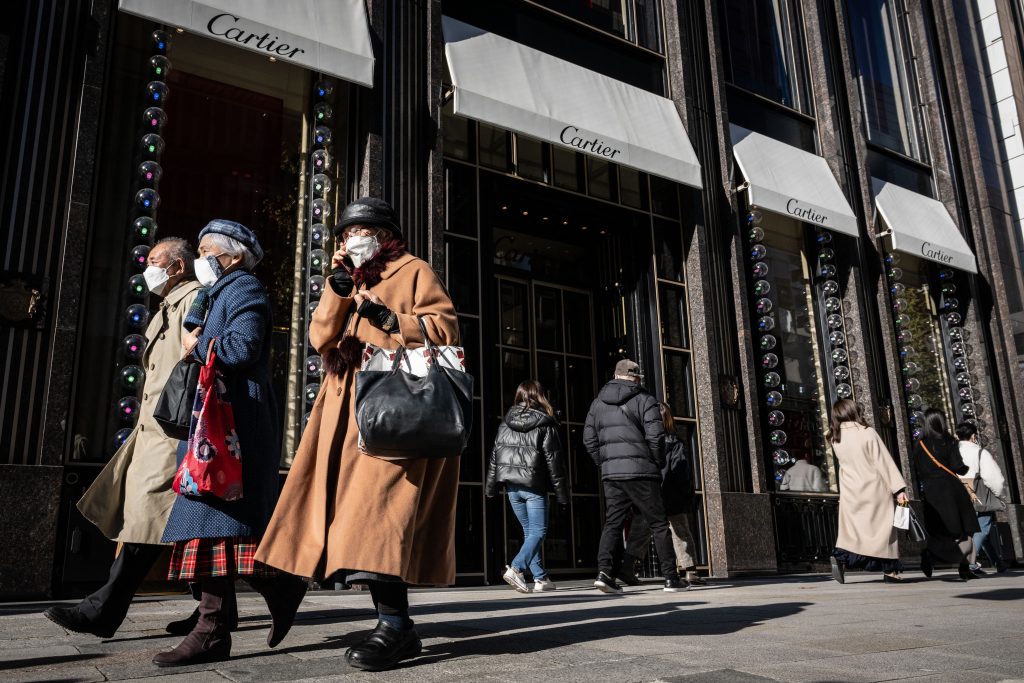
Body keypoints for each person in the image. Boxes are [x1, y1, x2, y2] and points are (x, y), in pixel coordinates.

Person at [255, 198, 461, 672]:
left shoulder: (414, 270)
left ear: (386, 234)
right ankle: (292, 581)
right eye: (347, 233)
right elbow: (320, 340)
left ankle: (395, 625)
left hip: (394, 408)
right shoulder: (346, 278)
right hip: (342, 408)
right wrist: (337, 292)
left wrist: (394, 321)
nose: (353, 239)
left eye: (363, 230)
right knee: (328, 506)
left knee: (377, 512)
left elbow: (446, 329)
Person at [153, 221, 306, 666]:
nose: (200, 258)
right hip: (214, 428)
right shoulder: (217, 293)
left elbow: (240, 349)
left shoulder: (244, 290)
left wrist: (195, 345)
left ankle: (212, 630)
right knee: (215, 529)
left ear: (233, 255)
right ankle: (277, 588)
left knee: (216, 526)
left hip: (233, 429)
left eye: (205, 249)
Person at [44, 238, 205, 638]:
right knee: (176, 524)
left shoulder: (194, 300)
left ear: (178, 267)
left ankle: (102, 611)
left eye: (155, 262)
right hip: (152, 431)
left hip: (171, 433)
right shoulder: (167, 307)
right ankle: (217, 608)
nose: (147, 269)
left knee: (145, 522)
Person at [583, 359, 687, 593]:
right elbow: (655, 437)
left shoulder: (597, 403)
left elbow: (588, 440)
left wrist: (605, 463)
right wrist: (656, 463)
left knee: (613, 523)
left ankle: (604, 573)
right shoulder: (645, 399)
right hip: (642, 472)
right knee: (659, 524)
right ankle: (671, 578)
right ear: (636, 378)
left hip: (612, 475)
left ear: (615, 375)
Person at [486, 380, 570, 594]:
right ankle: (517, 568)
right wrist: (562, 494)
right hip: (534, 487)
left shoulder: (505, 423)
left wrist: (491, 487)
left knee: (529, 531)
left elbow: (495, 458)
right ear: (541, 396)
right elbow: (555, 462)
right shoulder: (546, 423)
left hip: (512, 487)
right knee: (538, 531)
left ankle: (541, 578)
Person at [618, 401, 705, 588]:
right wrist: (686, 493)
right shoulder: (674, 443)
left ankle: (627, 567)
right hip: (671, 495)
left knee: (640, 532)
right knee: (680, 532)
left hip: (647, 494)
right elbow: (681, 472)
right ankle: (690, 571)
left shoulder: (641, 443)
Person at [828, 399, 909, 584]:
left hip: (851, 490)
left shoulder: (835, 438)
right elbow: (883, 461)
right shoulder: (866, 432)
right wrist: (898, 488)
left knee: (853, 532)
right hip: (874, 488)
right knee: (884, 530)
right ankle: (890, 571)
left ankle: (841, 558)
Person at [914, 408, 981, 582]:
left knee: (940, 529)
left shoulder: (920, 443)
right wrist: (965, 469)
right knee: (964, 529)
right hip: (951, 489)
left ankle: (930, 554)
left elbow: (917, 468)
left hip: (931, 491)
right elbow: (957, 465)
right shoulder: (948, 441)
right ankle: (964, 566)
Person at [956, 422, 1008, 574]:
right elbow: (994, 479)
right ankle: (969, 563)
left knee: (978, 530)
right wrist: (998, 495)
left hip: (959, 494)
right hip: (977, 494)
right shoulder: (980, 452)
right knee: (982, 529)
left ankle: (997, 562)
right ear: (973, 436)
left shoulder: (952, 452)